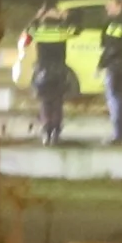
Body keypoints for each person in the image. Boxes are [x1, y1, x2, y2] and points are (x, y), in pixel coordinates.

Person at [30, 14, 75, 146]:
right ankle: (56, 132)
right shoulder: (62, 33)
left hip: (43, 73)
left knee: (45, 103)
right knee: (57, 104)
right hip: (59, 73)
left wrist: (37, 17)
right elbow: (75, 29)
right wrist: (65, 17)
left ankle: (46, 132)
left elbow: (29, 30)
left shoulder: (40, 33)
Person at [98, 15, 122, 145]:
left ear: (118, 7)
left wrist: (101, 64)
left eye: (110, 6)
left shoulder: (116, 24)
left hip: (116, 67)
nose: (107, 9)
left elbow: (109, 45)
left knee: (116, 101)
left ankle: (118, 135)